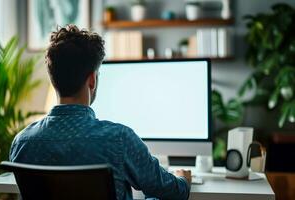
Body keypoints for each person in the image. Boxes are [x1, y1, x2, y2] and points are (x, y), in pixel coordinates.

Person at [10, 24, 191, 200]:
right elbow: (170, 190)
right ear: (92, 81)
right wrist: (183, 180)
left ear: (53, 79)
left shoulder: (22, 143)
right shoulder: (119, 139)